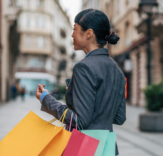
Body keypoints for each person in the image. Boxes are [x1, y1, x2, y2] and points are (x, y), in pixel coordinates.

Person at [36, 9, 126, 155]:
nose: (72, 34)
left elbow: (80, 121)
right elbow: (119, 117)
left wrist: (46, 99)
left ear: (89, 33)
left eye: (75, 29)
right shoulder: (117, 71)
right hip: (107, 150)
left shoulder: (83, 67)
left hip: (85, 149)